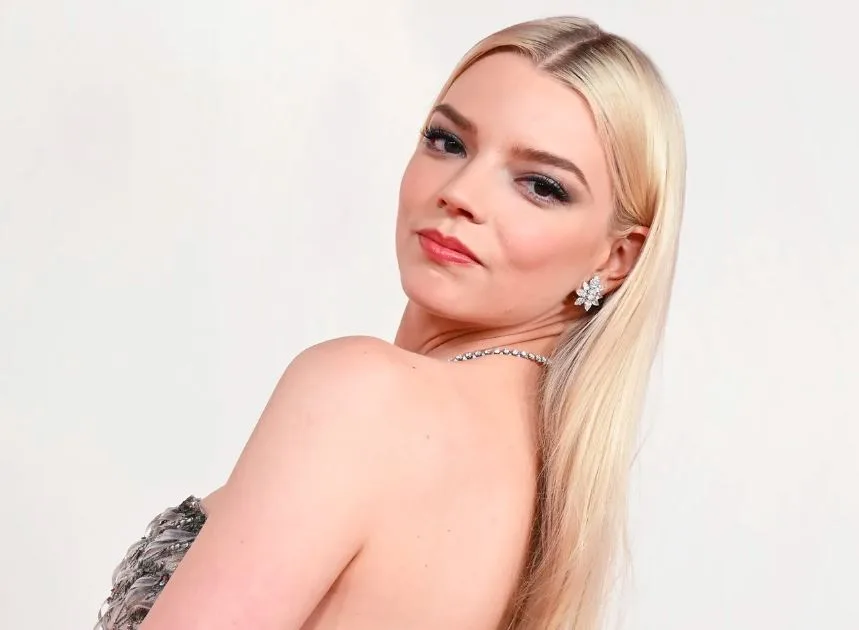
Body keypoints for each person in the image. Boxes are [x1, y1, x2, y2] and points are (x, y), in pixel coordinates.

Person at [95, 15, 686, 630]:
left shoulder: (365, 394)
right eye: (448, 142)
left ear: (616, 258)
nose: (461, 192)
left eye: (539, 185)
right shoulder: (549, 493)